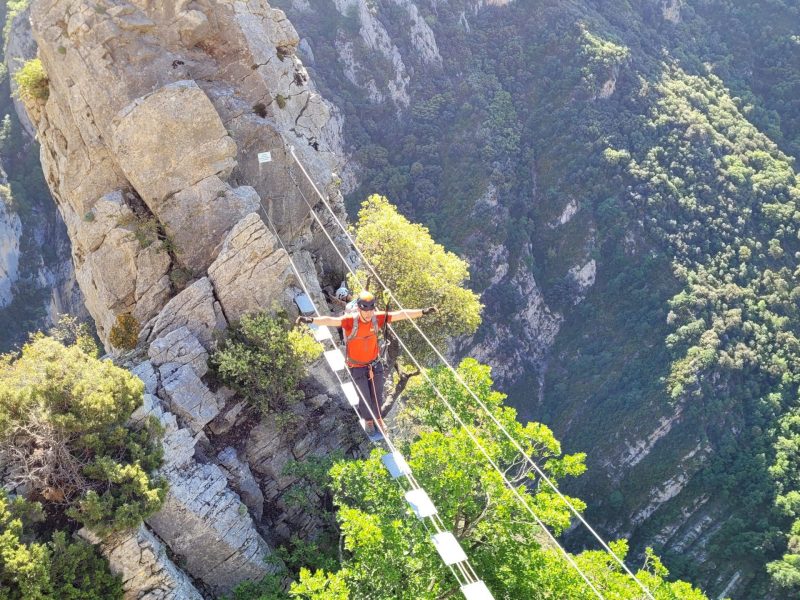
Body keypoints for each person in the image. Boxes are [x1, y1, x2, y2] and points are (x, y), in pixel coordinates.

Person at [296, 290, 436, 435]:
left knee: (377, 393)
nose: (368, 314)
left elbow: (400, 314)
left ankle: (379, 420)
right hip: (356, 366)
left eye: (370, 310)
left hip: (375, 364)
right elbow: (331, 321)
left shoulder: (377, 318)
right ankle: (369, 421)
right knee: (364, 395)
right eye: (365, 310)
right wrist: (311, 320)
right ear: (359, 308)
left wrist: (423, 311)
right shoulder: (351, 320)